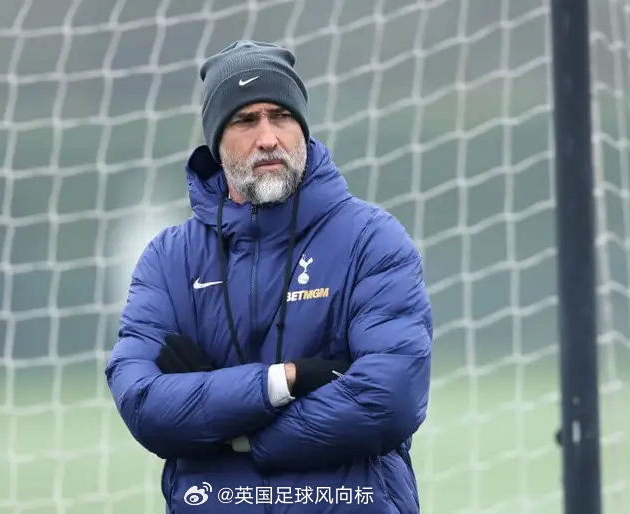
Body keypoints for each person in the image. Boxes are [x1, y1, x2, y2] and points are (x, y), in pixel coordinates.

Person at [105, 40, 433, 513]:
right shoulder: (170, 259)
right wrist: (283, 381)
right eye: (245, 120)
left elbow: (391, 397)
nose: (268, 138)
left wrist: (235, 432)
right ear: (216, 142)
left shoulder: (371, 239)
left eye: (281, 116)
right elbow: (143, 403)